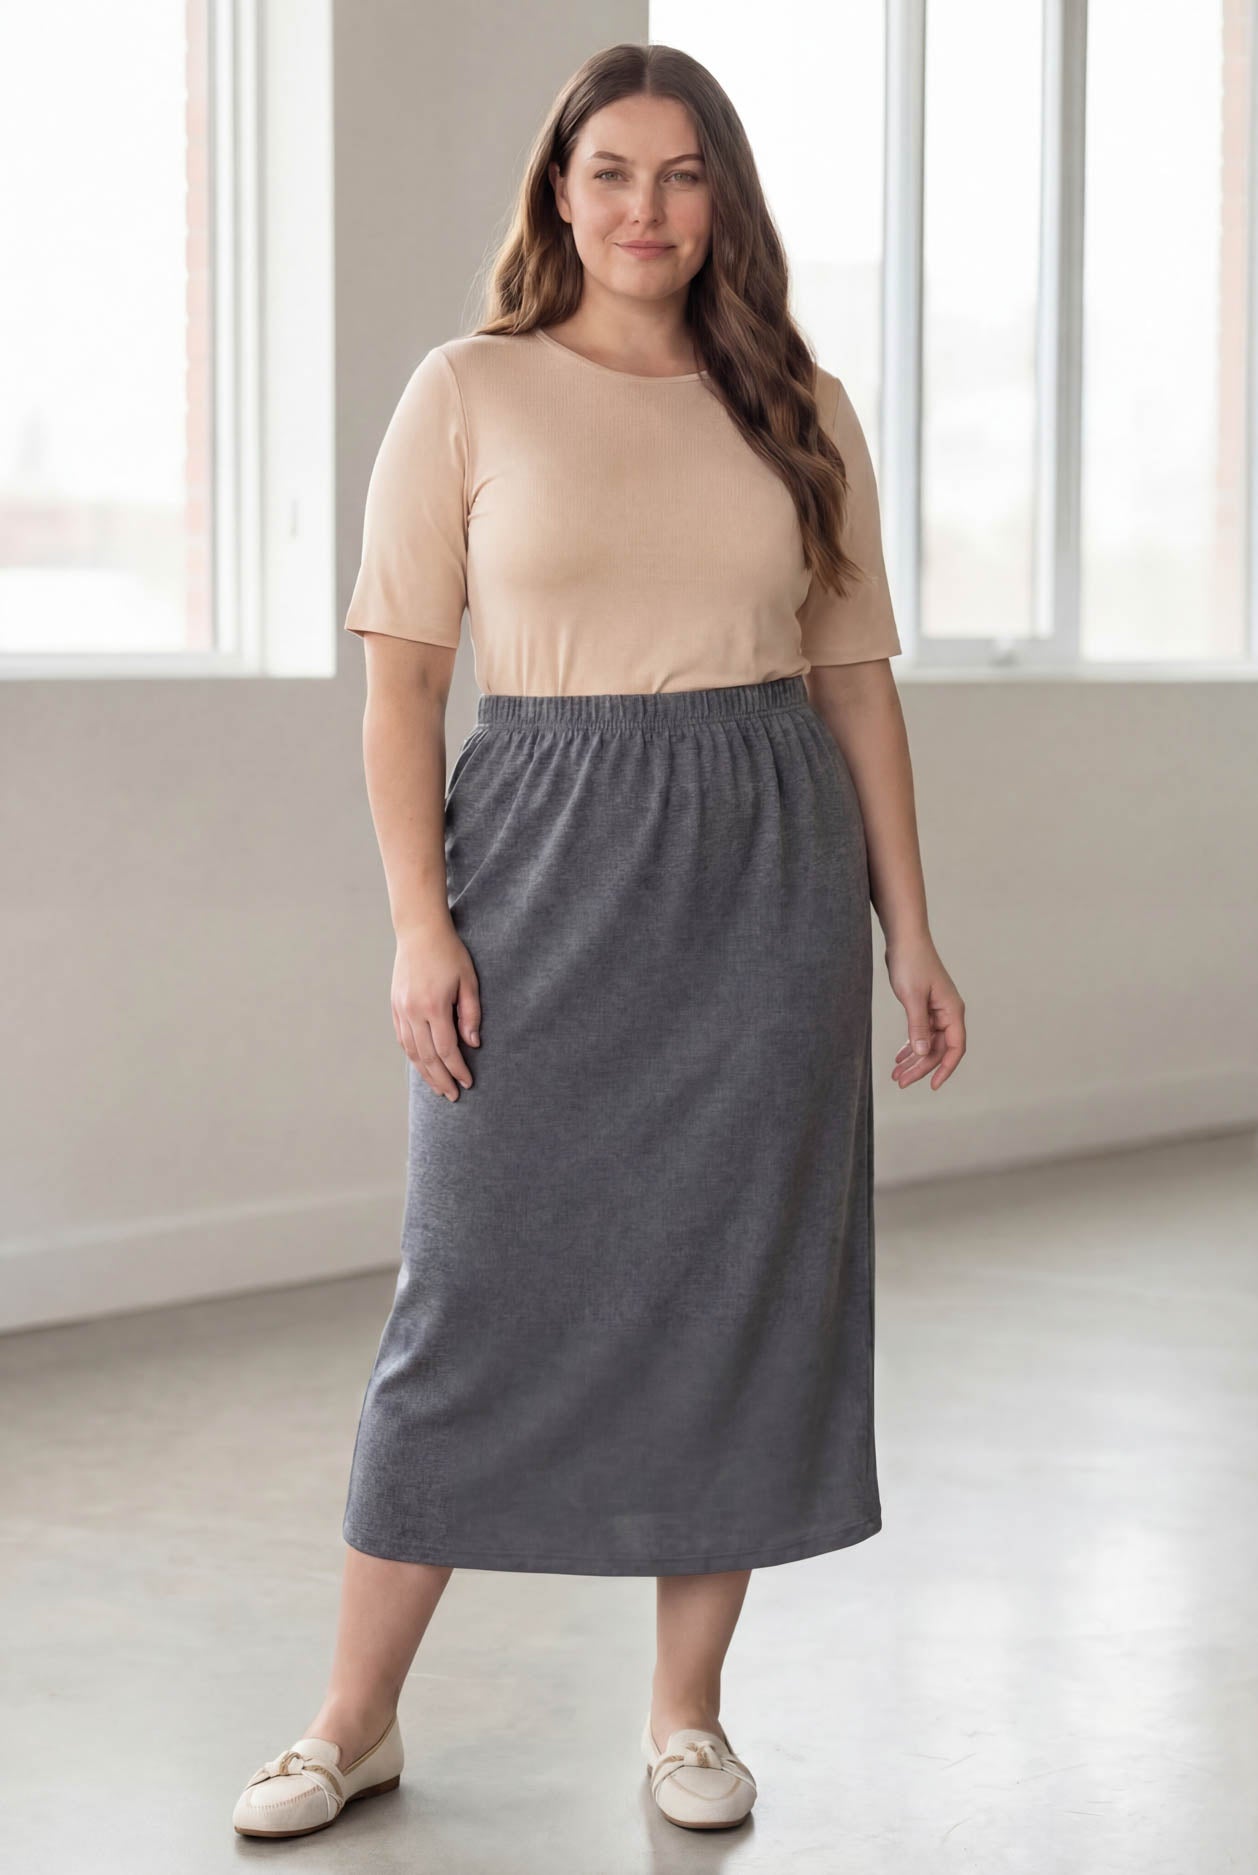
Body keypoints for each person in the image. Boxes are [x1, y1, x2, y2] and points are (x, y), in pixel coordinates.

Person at [233, 41, 966, 1842]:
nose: (646, 208)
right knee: (466, 1292)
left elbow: (856, 687)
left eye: (682, 172)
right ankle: (352, 1717)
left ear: (724, 199)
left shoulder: (796, 399)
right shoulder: (468, 390)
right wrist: (422, 927)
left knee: (740, 1288)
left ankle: (685, 1719)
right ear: (560, 193)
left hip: (764, 869)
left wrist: (910, 935)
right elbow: (400, 690)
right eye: (612, 172)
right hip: (542, 854)